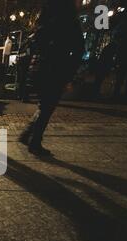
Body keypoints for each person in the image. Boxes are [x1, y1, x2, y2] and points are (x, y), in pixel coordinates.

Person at [19, 0, 85, 156]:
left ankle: (27, 134)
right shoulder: (69, 21)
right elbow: (78, 49)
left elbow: (37, 43)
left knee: (44, 105)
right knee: (47, 106)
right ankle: (34, 142)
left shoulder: (46, 18)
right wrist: (70, 75)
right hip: (57, 69)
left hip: (41, 68)